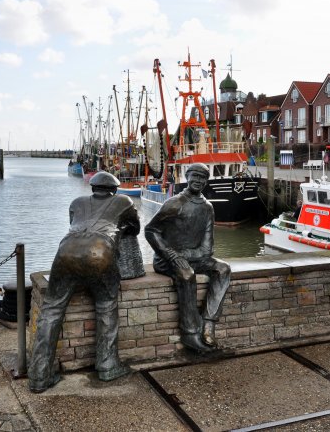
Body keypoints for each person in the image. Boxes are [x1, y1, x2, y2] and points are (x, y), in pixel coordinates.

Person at [28, 171, 139, 393]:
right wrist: (122, 229)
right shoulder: (124, 201)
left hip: (66, 251)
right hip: (100, 251)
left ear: (92, 187)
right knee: (107, 305)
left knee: (51, 310)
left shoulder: (76, 202)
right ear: (114, 189)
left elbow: (74, 223)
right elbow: (135, 228)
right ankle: (107, 366)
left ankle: (39, 376)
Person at [144, 163, 231, 353]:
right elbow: (151, 230)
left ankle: (208, 324)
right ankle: (190, 333)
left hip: (193, 257)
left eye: (203, 178)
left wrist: (186, 255)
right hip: (167, 259)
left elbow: (207, 248)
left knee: (223, 269)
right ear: (187, 176)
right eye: (195, 176)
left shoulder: (207, 207)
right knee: (186, 275)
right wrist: (171, 255)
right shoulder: (174, 203)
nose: (198, 181)